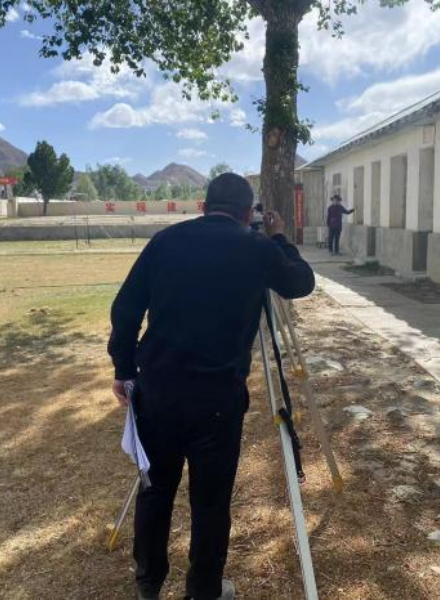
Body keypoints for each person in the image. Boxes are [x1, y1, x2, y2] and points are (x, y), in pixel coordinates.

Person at [107, 173, 315, 600]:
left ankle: (148, 584)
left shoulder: (165, 241)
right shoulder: (257, 247)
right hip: (218, 401)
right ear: (247, 212)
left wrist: (124, 369)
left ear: (203, 207)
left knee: (155, 491)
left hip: (157, 393)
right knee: (210, 502)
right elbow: (301, 282)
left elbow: (125, 310)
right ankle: (203, 590)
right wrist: (278, 237)